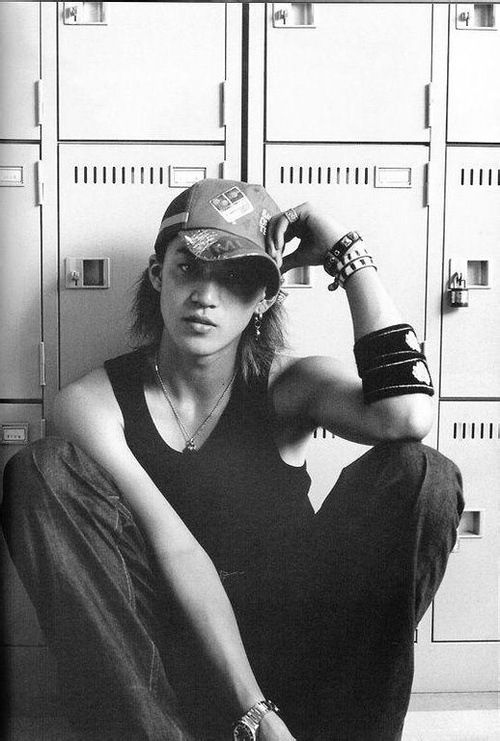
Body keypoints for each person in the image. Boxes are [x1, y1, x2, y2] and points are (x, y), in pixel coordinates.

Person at [2, 179, 463, 741]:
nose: (206, 296)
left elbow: (407, 417)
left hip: (297, 648)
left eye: (236, 279)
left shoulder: (290, 385)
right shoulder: (94, 404)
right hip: (163, 666)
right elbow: (176, 548)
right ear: (158, 275)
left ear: (265, 297)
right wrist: (253, 713)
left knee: (422, 473)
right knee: (39, 469)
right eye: (188, 269)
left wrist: (348, 253)